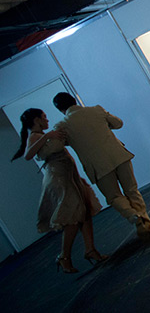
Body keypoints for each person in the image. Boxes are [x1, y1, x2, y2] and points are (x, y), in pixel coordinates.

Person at [12, 109, 108, 274]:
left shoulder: (46, 134)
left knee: (83, 211)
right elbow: (28, 155)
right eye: (44, 117)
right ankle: (64, 256)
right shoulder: (35, 136)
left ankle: (90, 249)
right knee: (72, 216)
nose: (47, 119)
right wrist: (47, 136)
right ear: (36, 120)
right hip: (59, 178)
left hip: (69, 175)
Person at [52, 92, 150, 237]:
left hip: (98, 166)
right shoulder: (96, 110)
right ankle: (145, 223)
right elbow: (118, 123)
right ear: (74, 100)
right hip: (118, 155)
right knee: (132, 190)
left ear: (60, 109)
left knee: (114, 197)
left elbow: (57, 147)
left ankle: (133, 216)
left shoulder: (62, 126)